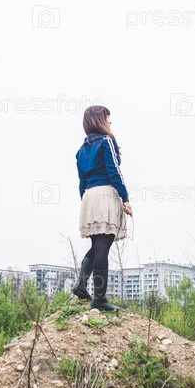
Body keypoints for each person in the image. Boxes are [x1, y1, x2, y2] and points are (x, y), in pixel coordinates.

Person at [72, 105, 133, 311]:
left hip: (88, 197)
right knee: (102, 248)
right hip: (105, 194)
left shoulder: (81, 151)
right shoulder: (107, 141)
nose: (110, 122)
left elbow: (81, 183)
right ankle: (99, 299)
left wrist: (86, 203)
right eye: (108, 118)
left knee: (96, 245)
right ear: (99, 120)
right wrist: (125, 198)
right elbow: (114, 171)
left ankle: (81, 285)